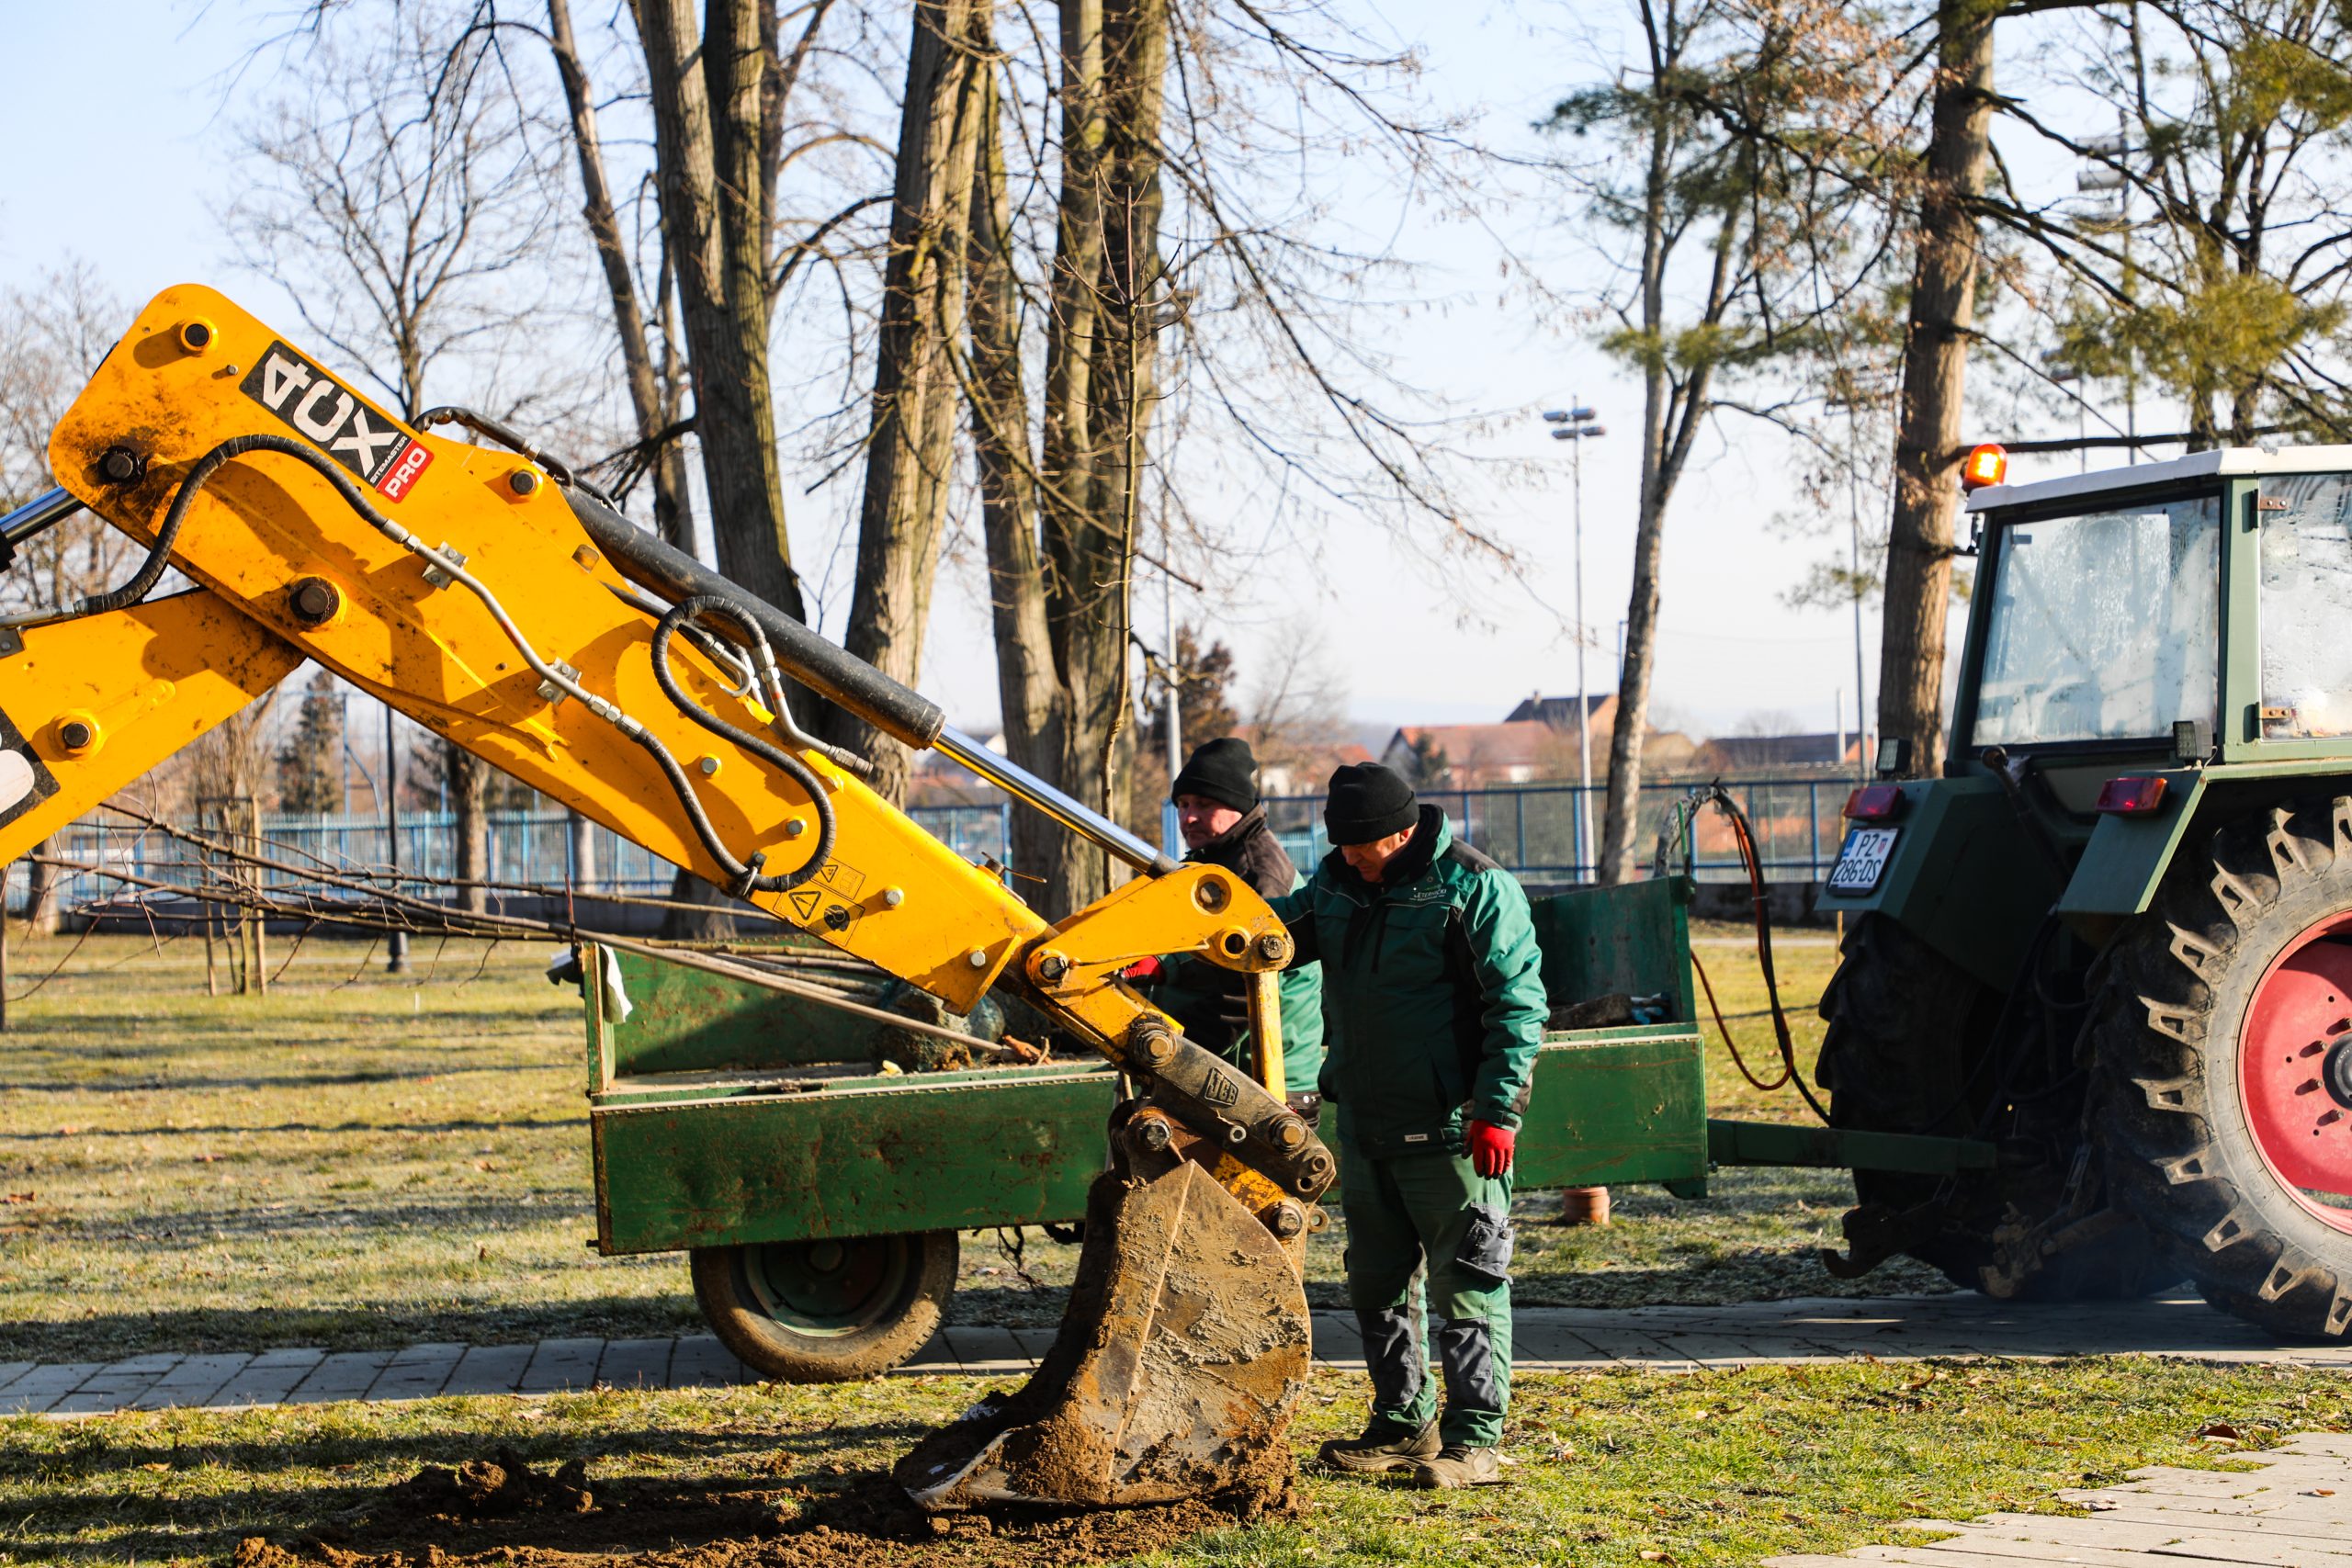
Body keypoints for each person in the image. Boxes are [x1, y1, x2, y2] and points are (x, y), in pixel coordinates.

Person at [1269, 761, 1546, 1490]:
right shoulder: (1336, 885)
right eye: (1342, 845)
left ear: (1399, 833)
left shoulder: (1472, 888)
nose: (1350, 856)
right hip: (1365, 1128)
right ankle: (1403, 1422)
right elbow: (1269, 934)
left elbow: (1518, 1005)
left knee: (1468, 1286)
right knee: (1377, 1284)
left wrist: (1497, 1110)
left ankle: (1475, 1439)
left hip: (1449, 1132)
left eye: (1360, 845)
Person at [1125, 737, 1325, 1115]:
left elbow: (1241, 993)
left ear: (1238, 806)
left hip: (1261, 1085)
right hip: (1234, 1075)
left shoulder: (1259, 876)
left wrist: (1175, 1060)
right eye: (1183, 805)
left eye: (1203, 804)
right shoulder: (1213, 864)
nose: (1189, 817)